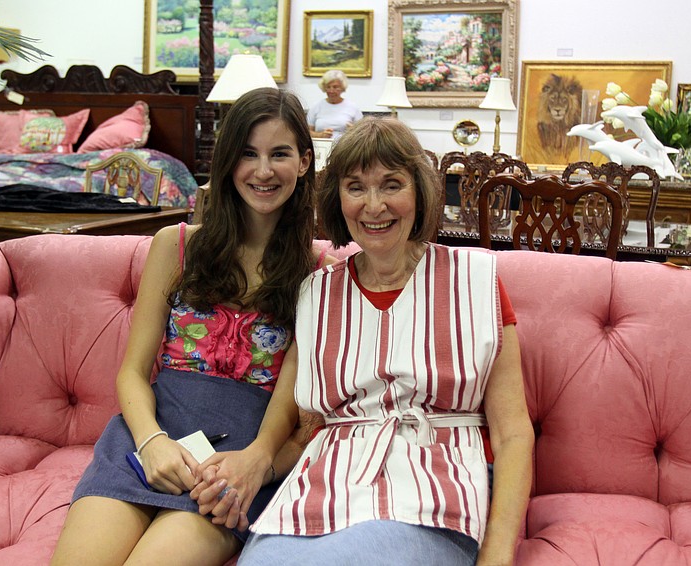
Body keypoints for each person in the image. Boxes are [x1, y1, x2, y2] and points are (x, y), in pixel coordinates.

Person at [193, 117, 535, 565]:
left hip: (433, 493)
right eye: (356, 187)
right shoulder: (316, 292)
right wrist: (250, 470)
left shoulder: (474, 281)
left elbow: (513, 434)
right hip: (321, 491)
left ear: (419, 192)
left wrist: (497, 553)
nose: (374, 206)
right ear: (338, 199)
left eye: (391, 185)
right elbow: (305, 430)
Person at [50, 87, 333, 566]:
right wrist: (152, 442)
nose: (263, 170)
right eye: (248, 153)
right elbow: (133, 371)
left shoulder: (318, 273)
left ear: (304, 162)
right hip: (149, 441)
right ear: (227, 161)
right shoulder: (175, 246)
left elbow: (293, 400)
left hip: (234, 466)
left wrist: (256, 463)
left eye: (279, 154)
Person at [307, 69, 363, 140]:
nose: (331, 91)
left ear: (342, 88)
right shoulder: (316, 106)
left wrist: (353, 131)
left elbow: (363, 133)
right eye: (328, 87)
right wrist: (320, 135)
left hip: (345, 145)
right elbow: (307, 132)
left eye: (335, 87)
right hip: (320, 145)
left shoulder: (353, 107)